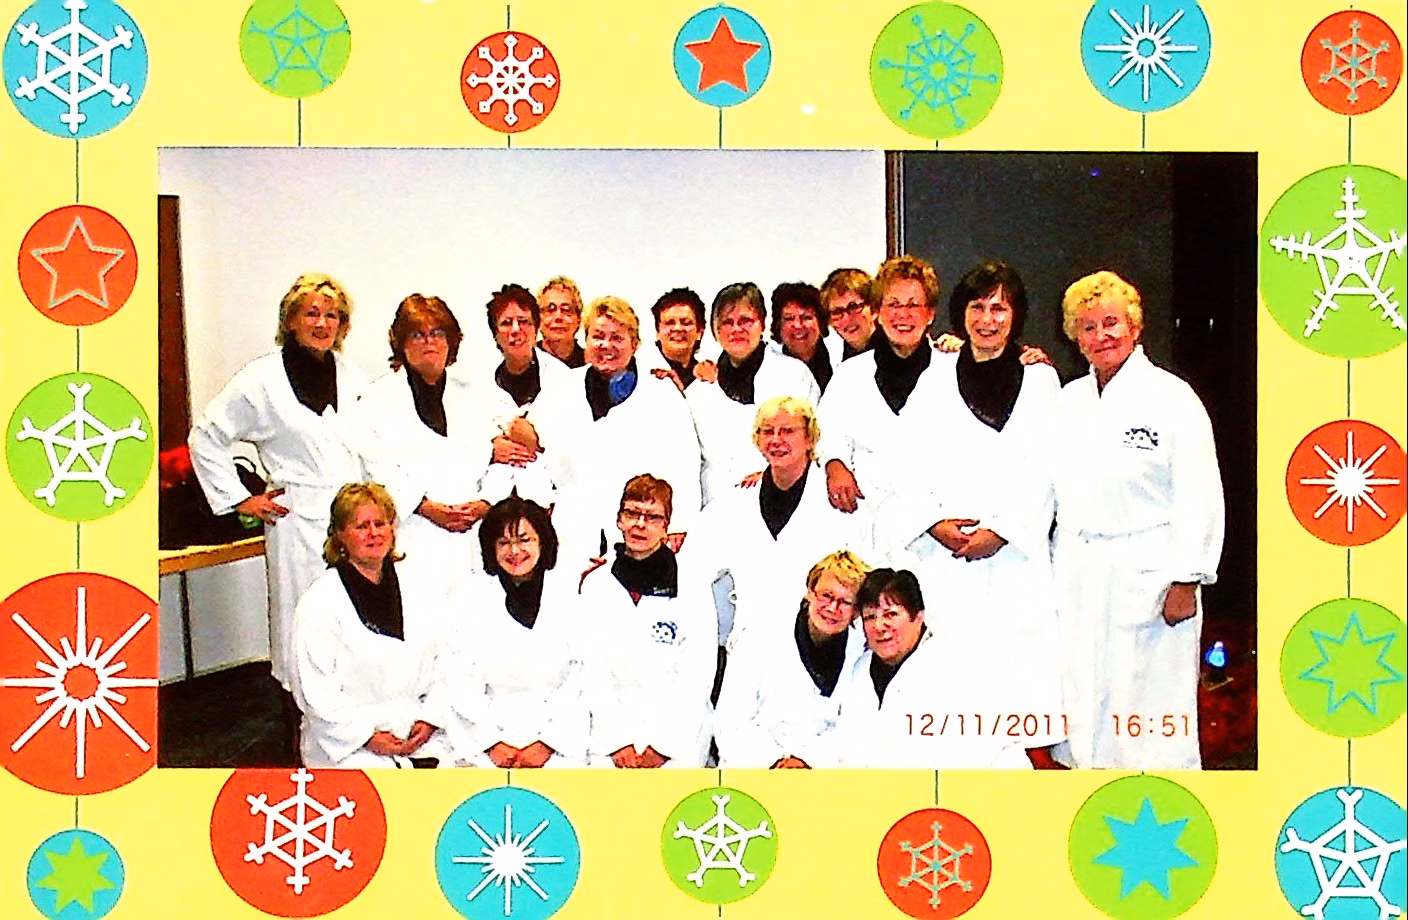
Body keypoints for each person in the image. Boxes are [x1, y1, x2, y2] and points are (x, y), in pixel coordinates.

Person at [873, 261, 1066, 766]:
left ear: (1016, 315)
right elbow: (902, 461)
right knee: (953, 686)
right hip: (948, 562)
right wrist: (934, 523)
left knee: (1020, 686)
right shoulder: (935, 378)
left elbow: (1050, 469)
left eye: (999, 308)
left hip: (1014, 559)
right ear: (960, 315)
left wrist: (1002, 531)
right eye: (977, 307)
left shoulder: (1041, 380)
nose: (987, 319)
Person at [1050, 270, 1224, 769]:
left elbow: (1199, 492)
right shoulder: (1068, 401)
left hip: (1150, 573)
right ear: (1075, 337)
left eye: (1111, 323)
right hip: (1081, 567)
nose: (1101, 336)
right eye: (1088, 327)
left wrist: (1187, 578)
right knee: (1085, 694)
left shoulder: (1172, 398)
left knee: (1150, 702)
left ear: (1134, 326)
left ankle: (1160, 798)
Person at [188, 273, 368, 693]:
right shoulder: (261, 380)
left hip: (351, 518)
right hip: (297, 522)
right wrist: (240, 499)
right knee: (300, 624)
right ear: (290, 320)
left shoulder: (353, 378)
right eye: (312, 313)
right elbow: (206, 436)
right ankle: (296, 716)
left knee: (351, 622)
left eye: (332, 316)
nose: (322, 323)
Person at [531, 296, 703, 565]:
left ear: (634, 344)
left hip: (641, 531)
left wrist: (679, 524)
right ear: (586, 340)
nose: (606, 345)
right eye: (598, 336)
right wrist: (541, 502)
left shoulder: (661, 392)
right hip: (571, 533)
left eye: (617, 338)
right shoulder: (560, 389)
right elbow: (531, 451)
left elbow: (685, 463)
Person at [292, 483, 452, 768]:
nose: (374, 533)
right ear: (339, 534)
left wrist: (430, 718)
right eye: (361, 526)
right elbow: (315, 690)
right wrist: (365, 736)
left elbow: (450, 659)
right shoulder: (319, 602)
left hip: (419, 729)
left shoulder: (421, 585)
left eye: (380, 523)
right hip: (348, 741)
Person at [347, 294, 499, 593]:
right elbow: (376, 467)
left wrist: (486, 502)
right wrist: (424, 506)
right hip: (415, 533)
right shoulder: (376, 401)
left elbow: (504, 458)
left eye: (437, 333)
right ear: (401, 343)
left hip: (473, 533)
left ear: (451, 341)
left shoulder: (476, 394)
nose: (429, 341)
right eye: (417, 334)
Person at [693, 397, 864, 654]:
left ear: (810, 438)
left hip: (822, 651)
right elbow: (692, 572)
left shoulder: (841, 503)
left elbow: (863, 581)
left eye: (787, 431)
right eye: (767, 431)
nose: (776, 440)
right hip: (749, 652)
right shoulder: (733, 505)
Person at [441, 496, 589, 767]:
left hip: (556, 745)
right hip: (485, 747)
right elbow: (458, 677)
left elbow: (579, 678)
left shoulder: (569, 594)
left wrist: (549, 743)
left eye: (524, 540)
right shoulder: (467, 597)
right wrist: (490, 742)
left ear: (543, 542)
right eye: (503, 542)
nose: (515, 551)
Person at [579, 476, 715, 768]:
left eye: (652, 517)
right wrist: (616, 742)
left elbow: (698, 672)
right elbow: (591, 669)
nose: (640, 524)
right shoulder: (596, 585)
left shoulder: (692, 584)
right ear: (618, 520)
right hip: (610, 737)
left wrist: (664, 746)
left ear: (666, 527)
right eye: (632, 513)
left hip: (679, 738)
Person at [834, 568, 1030, 769]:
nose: (879, 626)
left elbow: (975, 753)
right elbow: (847, 744)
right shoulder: (860, 669)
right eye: (869, 617)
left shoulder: (956, 668)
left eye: (891, 614)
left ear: (918, 617)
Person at [816, 256, 947, 539]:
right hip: (870, 524)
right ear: (878, 312)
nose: (903, 315)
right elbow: (827, 432)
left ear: (930, 314)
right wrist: (834, 463)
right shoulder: (849, 375)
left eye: (913, 305)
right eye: (894, 304)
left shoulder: (953, 371)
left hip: (939, 526)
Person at [714, 550, 871, 769]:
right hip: (751, 768)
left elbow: (852, 729)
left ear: (856, 612)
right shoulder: (760, 635)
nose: (832, 608)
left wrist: (806, 761)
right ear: (810, 592)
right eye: (826, 595)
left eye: (846, 602)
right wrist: (776, 761)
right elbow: (731, 721)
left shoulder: (862, 652)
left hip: (819, 772)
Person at [687, 282, 819, 504]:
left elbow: (814, 440)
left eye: (746, 321)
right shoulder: (699, 390)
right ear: (715, 330)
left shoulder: (794, 375)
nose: (736, 329)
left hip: (784, 497)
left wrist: (772, 476)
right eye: (727, 322)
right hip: (716, 505)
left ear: (763, 324)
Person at [478, 283, 570, 505]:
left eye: (524, 321)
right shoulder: (475, 383)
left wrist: (538, 442)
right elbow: (461, 442)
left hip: (549, 500)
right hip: (492, 499)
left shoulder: (564, 379)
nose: (515, 330)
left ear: (536, 328)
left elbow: (577, 447)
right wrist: (489, 450)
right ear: (495, 335)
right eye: (506, 323)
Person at [769, 281, 834, 392]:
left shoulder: (838, 358)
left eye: (806, 317)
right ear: (778, 325)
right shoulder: (768, 365)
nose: (798, 325)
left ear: (820, 322)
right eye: (789, 318)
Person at [642, 287, 707, 391]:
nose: (678, 328)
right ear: (657, 331)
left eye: (686, 323)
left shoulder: (709, 377)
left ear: (700, 331)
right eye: (669, 323)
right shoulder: (642, 371)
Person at [819, 267, 880, 360]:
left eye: (853, 307)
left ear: (873, 309)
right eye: (837, 311)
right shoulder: (833, 357)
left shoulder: (894, 351)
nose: (846, 319)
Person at [537, 276, 586, 368]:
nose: (558, 317)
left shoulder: (589, 365)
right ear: (538, 318)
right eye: (550, 309)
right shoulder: (526, 363)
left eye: (566, 310)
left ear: (579, 318)